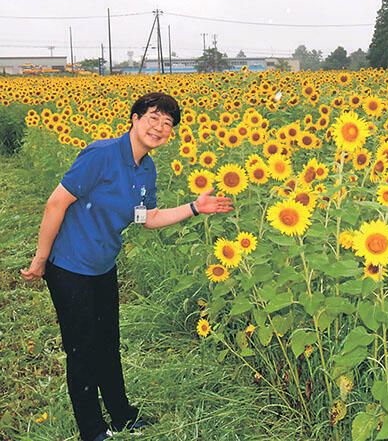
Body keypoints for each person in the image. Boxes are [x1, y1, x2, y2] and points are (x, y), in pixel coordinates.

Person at [21, 92, 233, 441]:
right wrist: (41, 259)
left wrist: (195, 207)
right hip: (70, 266)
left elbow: (148, 217)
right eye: (153, 118)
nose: (160, 128)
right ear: (134, 119)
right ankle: (92, 430)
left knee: (108, 343)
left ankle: (121, 415)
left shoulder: (146, 168)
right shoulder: (101, 155)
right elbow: (56, 203)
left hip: (104, 265)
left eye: (168, 124)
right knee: (82, 349)